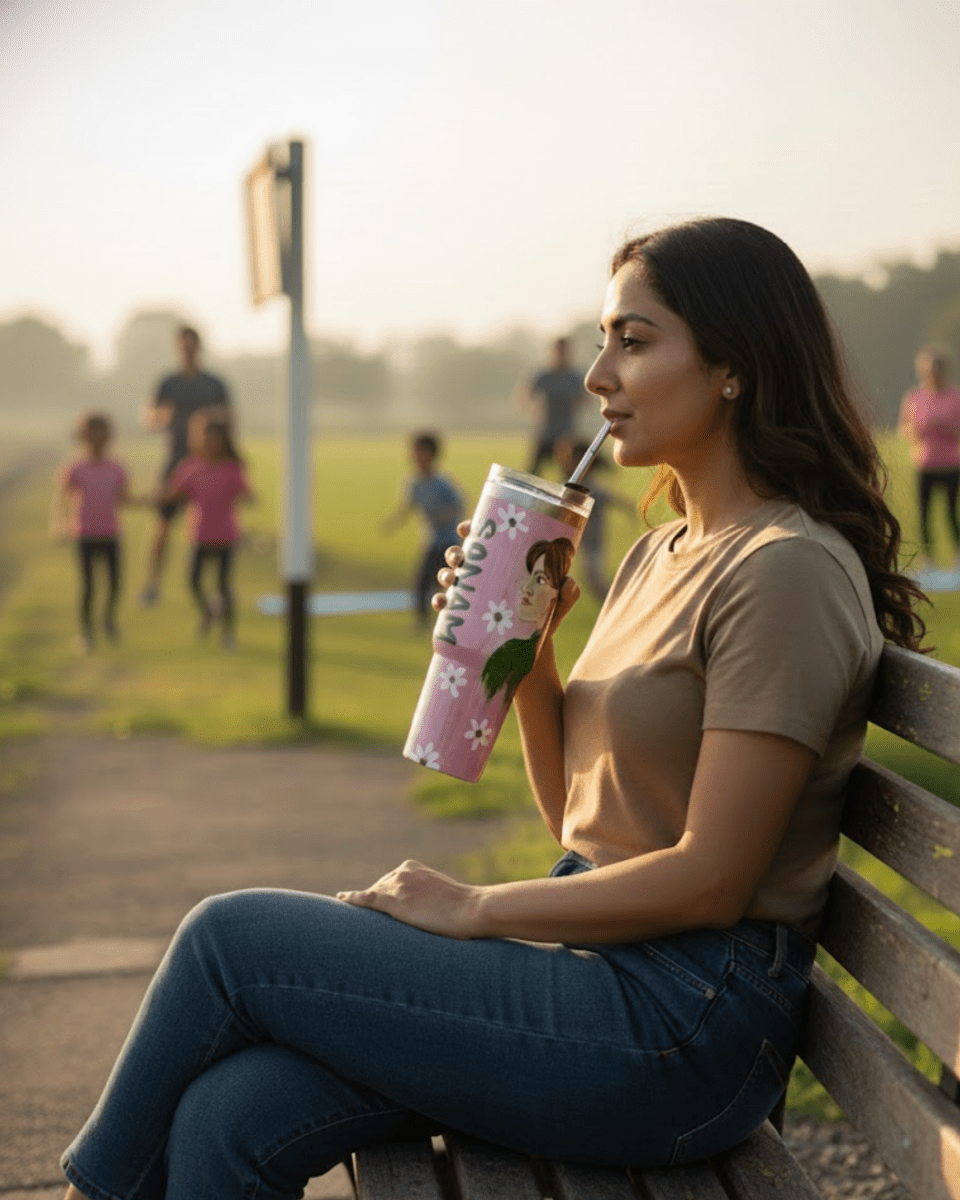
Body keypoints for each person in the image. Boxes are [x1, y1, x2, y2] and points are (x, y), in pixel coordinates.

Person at [60, 217, 927, 1200]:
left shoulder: (785, 572)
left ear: (735, 367)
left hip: (683, 1022)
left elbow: (712, 880)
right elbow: (577, 823)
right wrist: (530, 650)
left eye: (633, 341)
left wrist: (472, 910)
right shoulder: (657, 553)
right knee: (237, 1110)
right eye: (602, 339)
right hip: (608, 979)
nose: (599, 376)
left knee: (229, 940)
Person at [140, 325, 232, 606]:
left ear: (199, 346)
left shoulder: (214, 384)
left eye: (192, 344)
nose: (188, 350)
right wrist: (160, 417)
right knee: (163, 524)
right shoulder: (168, 383)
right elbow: (150, 417)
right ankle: (153, 584)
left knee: (214, 525)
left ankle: (215, 588)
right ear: (178, 347)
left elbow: (230, 420)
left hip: (209, 464)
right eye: (183, 345)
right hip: (176, 460)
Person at [159, 418, 254, 649]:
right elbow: (175, 492)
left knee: (223, 586)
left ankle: (228, 634)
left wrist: (246, 496)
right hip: (199, 535)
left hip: (225, 536)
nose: (210, 443)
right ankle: (208, 612)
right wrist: (158, 496)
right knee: (193, 582)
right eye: (205, 438)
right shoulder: (190, 467)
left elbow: (245, 493)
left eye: (215, 438)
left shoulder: (232, 468)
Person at [51, 411, 132, 650]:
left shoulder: (118, 468)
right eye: (91, 434)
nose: (97, 439)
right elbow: (62, 499)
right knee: (88, 587)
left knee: (115, 584)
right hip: (85, 534)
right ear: (83, 437)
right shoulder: (75, 468)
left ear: (109, 437)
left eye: (101, 434)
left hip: (111, 533)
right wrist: (60, 524)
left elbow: (124, 499)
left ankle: (108, 619)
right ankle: (86, 633)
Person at [381, 431, 465, 628]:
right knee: (421, 584)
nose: (416, 458)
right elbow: (407, 507)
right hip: (431, 542)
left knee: (454, 585)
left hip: (449, 543)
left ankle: (457, 623)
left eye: (421, 453)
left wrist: (442, 515)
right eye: (415, 453)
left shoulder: (441, 483)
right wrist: (392, 524)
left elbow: (459, 507)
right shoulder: (413, 483)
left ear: (432, 455)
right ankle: (422, 622)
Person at [480, 537, 575, 703]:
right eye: (529, 575)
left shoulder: (510, 651)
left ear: (559, 591)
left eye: (540, 580)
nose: (526, 588)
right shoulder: (512, 649)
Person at [898, 345, 960, 569]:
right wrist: (915, 430)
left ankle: (957, 559)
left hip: (950, 465)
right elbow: (904, 429)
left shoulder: (955, 397)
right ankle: (930, 560)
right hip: (925, 464)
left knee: (951, 514)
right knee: (925, 516)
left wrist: (941, 426)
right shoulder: (915, 398)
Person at [561, 440, 636, 601]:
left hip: (593, 541)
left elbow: (611, 498)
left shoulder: (589, 488)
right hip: (581, 541)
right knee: (590, 579)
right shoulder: (574, 486)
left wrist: (628, 508)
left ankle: (617, 602)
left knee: (593, 579)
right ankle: (615, 603)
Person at [523, 335, 586, 476]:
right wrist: (534, 408)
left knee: (569, 475)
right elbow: (527, 394)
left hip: (566, 434)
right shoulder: (544, 376)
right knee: (532, 472)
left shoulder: (574, 377)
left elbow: (584, 399)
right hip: (545, 432)